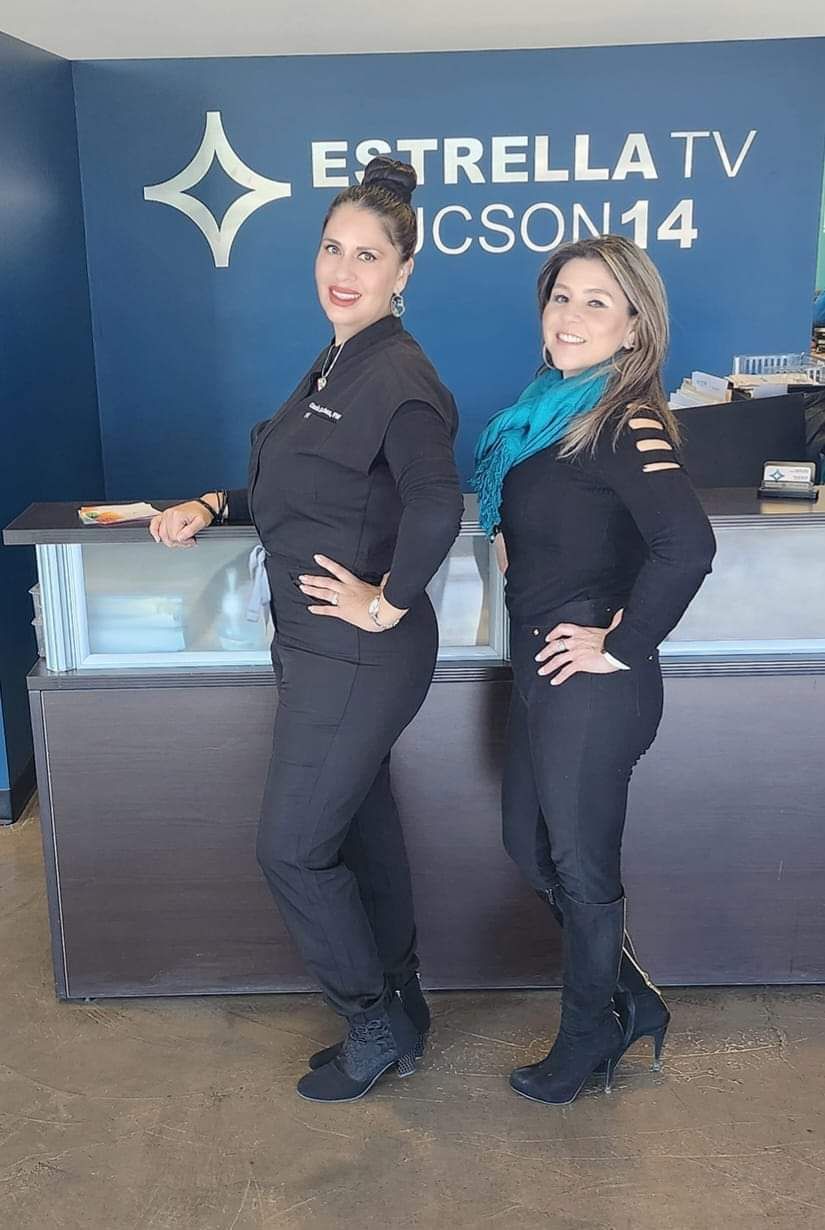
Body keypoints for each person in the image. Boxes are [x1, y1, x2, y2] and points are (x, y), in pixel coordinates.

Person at [150, 157, 463, 1103]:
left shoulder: (397, 373)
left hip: (358, 653)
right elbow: (307, 486)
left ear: (404, 271)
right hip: (322, 650)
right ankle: (402, 1007)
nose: (344, 269)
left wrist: (387, 600)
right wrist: (215, 502)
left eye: (368, 255)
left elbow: (436, 501)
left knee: (290, 847)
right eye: (333, 248)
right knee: (360, 829)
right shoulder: (338, 360)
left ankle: (368, 1023)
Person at [472, 234, 716, 1106]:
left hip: (595, 688)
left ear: (633, 328)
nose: (569, 316)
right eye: (561, 296)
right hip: (541, 675)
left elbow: (687, 545)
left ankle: (586, 1039)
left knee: (580, 869)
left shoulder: (623, 420)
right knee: (528, 845)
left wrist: (619, 644)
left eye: (596, 302)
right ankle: (632, 1001)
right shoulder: (544, 414)